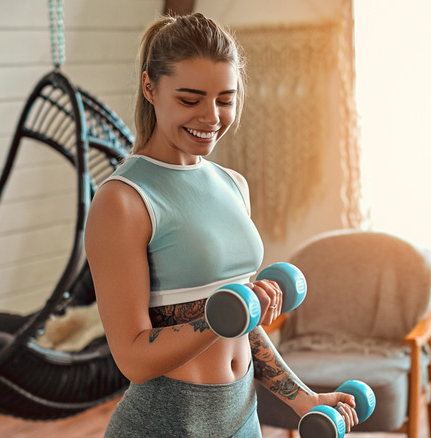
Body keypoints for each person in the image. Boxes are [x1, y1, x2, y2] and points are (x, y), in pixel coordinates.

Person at [85, 13, 358, 437]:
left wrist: (304, 398)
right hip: (167, 421)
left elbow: (243, 321)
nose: (211, 117)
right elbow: (133, 359)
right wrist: (218, 318)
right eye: (190, 100)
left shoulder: (233, 185)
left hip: (241, 415)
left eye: (225, 99)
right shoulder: (122, 201)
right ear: (149, 88)